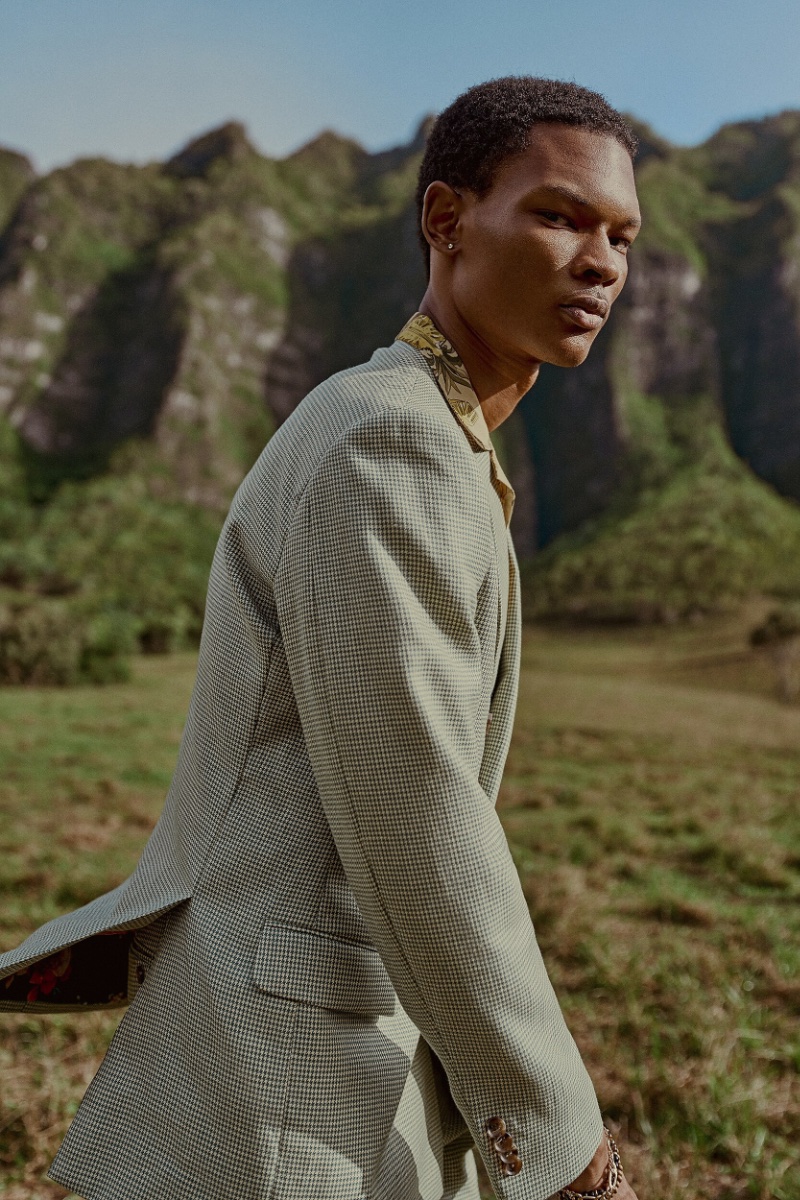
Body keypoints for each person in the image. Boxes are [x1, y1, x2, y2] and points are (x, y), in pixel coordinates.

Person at [0, 76, 643, 1200]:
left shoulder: (428, 437)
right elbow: (417, 817)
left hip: (320, 1028)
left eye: (619, 236)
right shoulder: (387, 444)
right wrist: (563, 1141)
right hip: (290, 1064)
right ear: (445, 222)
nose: (598, 261)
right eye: (556, 214)